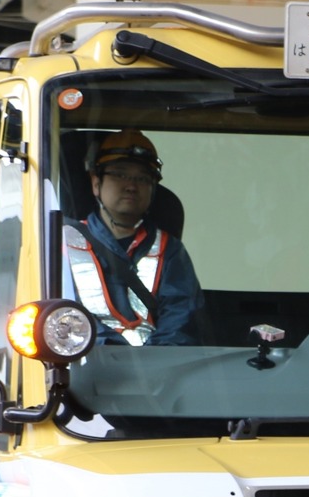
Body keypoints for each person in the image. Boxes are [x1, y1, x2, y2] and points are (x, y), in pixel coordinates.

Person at [61, 130, 203, 346]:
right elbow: (62, 316)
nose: (131, 185)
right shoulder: (61, 243)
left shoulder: (170, 250)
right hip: (83, 369)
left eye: (142, 178)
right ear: (96, 183)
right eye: (120, 174)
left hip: (157, 372)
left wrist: (149, 366)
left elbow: (181, 322)